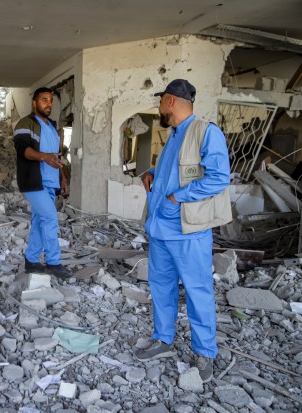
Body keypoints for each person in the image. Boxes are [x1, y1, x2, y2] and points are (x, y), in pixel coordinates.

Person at [134, 79, 231, 383]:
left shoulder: (205, 132)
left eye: (161, 101)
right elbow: (173, 175)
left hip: (188, 232)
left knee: (197, 292)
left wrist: (179, 197)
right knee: (161, 289)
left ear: (171, 101)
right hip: (161, 230)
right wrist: (151, 174)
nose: (160, 107)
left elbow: (218, 178)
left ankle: (205, 353)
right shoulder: (174, 135)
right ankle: (164, 340)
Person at [13, 87, 72, 279]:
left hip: (50, 182)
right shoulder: (26, 123)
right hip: (32, 181)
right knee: (50, 218)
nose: (49, 104)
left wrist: (62, 177)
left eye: (51, 101)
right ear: (35, 102)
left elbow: (56, 156)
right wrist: (44, 157)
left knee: (39, 221)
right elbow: (23, 150)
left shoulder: (53, 126)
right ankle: (53, 262)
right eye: (44, 100)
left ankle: (31, 260)